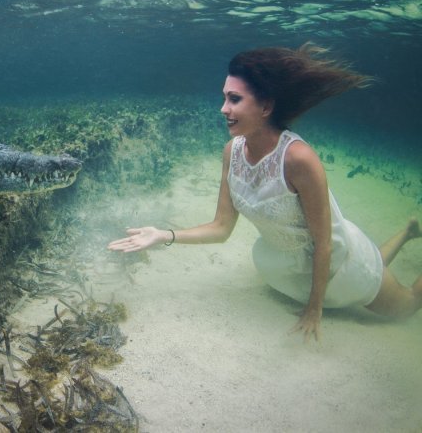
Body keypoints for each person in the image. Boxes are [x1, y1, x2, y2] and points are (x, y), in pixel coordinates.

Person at [108, 44, 422, 341]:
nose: (223, 109)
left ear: (266, 106)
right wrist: (163, 235)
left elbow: (325, 244)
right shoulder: (232, 151)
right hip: (290, 269)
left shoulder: (299, 159)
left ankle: (404, 239)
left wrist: (315, 308)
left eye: (234, 99)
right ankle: (409, 231)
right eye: (224, 98)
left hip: (338, 266)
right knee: (376, 266)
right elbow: (221, 229)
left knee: (406, 306)